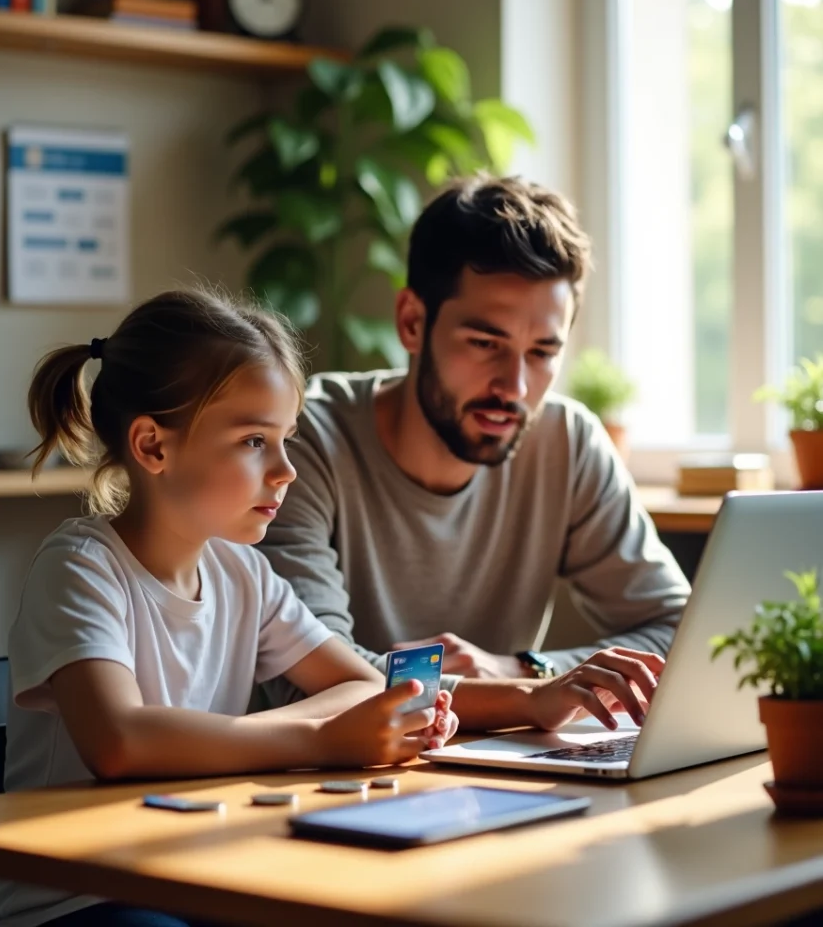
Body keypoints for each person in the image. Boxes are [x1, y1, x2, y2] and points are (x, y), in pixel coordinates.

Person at [0, 288, 458, 927]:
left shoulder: (243, 574)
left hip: (197, 874)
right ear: (153, 446)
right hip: (77, 898)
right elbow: (120, 742)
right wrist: (318, 736)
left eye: (286, 439)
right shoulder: (80, 569)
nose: (286, 470)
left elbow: (360, 684)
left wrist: (346, 728)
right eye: (255, 440)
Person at [261, 174, 691, 732]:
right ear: (412, 322)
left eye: (542, 352)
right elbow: (313, 675)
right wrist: (525, 698)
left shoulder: (567, 442)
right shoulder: (303, 443)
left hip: (495, 764)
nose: (515, 386)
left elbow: (681, 629)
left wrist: (522, 668)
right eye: (486, 343)